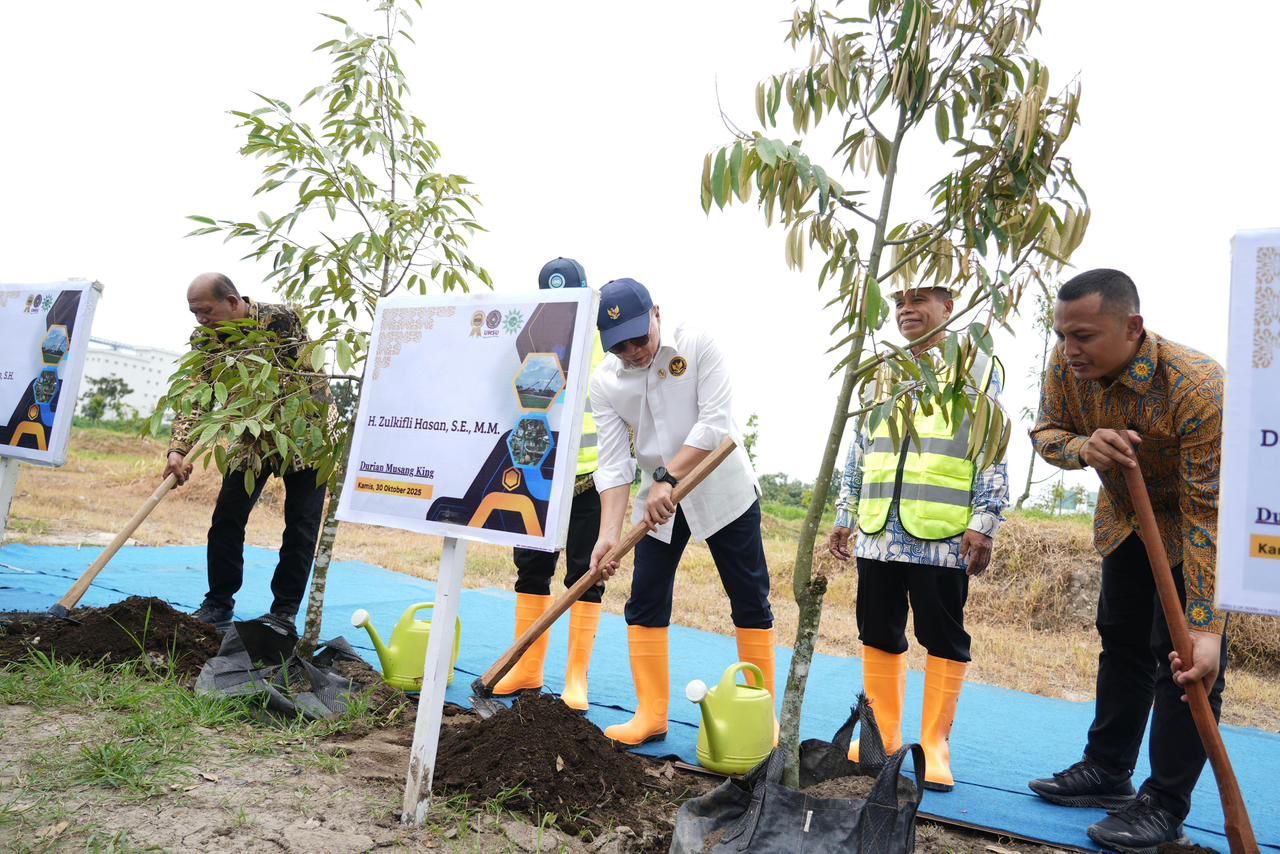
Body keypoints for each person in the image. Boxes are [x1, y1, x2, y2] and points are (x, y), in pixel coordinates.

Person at [1028, 268, 1226, 851]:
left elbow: (1207, 514)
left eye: (1084, 335)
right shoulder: (1067, 368)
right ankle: (1107, 770)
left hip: (1199, 529)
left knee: (1186, 663)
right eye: (1063, 334)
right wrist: (1081, 447)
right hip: (1127, 523)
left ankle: (1164, 804)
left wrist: (1207, 625)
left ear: (1132, 327)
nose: (1070, 349)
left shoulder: (1197, 388)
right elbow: (1046, 431)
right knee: (1120, 642)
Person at [827, 284, 1008, 792]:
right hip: (878, 528)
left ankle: (934, 745)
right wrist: (846, 512)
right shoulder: (878, 373)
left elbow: (993, 448)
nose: (907, 310)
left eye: (920, 300)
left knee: (943, 636)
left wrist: (985, 521)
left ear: (949, 307)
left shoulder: (977, 368)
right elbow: (858, 448)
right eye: (900, 301)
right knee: (878, 630)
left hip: (943, 535)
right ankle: (881, 735)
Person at [588, 278, 774, 746]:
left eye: (638, 338)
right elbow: (613, 465)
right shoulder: (605, 382)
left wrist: (668, 478)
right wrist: (608, 533)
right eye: (619, 345)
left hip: (720, 485)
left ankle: (760, 718)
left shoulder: (696, 343)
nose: (632, 351)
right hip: (658, 504)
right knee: (645, 598)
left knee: (749, 596)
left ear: (656, 313)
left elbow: (715, 423)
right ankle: (651, 714)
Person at [164, 273, 329, 635]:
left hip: (304, 432)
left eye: (206, 311)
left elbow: (292, 381)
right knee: (227, 517)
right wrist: (178, 448)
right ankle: (218, 603)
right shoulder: (205, 339)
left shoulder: (280, 319)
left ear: (233, 302)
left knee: (300, 527)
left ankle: (283, 614)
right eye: (195, 313)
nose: (201, 320)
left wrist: (245, 408)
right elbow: (195, 393)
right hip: (249, 434)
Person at [493, 257, 607, 710]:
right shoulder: (529, 339)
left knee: (587, 574)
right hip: (540, 475)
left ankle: (576, 678)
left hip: (593, 478)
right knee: (532, 570)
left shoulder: (605, 343)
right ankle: (527, 669)